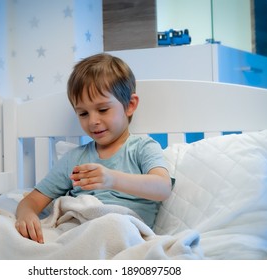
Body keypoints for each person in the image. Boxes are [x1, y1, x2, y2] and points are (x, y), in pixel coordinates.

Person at [15, 53, 172, 243]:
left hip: (122, 231)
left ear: (130, 105)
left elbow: (163, 188)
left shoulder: (142, 148)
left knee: (112, 225)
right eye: (83, 113)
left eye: (103, 110)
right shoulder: (74, 159)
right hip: (77, 231)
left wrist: (112, 179)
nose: (93, 121)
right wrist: (27, 215)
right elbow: (31, 201)